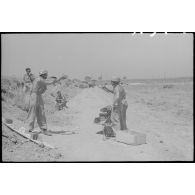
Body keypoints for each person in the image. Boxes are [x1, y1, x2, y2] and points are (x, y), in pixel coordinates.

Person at [26, 70, 66, 135]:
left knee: (41, 112)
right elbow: (49, 82)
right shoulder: (39, 79)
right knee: (32, 112)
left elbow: (45, 87)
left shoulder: (41, 80)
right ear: (43, 75)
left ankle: (44, 129)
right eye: (46, 75)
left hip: (38, 95)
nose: (46, 76)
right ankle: (29, 129)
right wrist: (61, 78)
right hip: (34, 96)